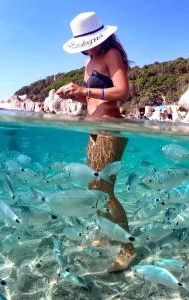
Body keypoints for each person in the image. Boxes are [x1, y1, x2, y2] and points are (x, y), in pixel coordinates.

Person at [56, 12, 135, 272]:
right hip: (93, 129)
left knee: (106, 190)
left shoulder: (112, 54)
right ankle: (105, 233)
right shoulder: (90, 62)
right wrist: (74, 94)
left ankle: (127, 247)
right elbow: (90, 99)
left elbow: (123, 92)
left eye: (89, 40)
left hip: (110, 128)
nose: (87, 46)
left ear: (100, 36)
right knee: (94, 188)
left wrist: (85, 90)